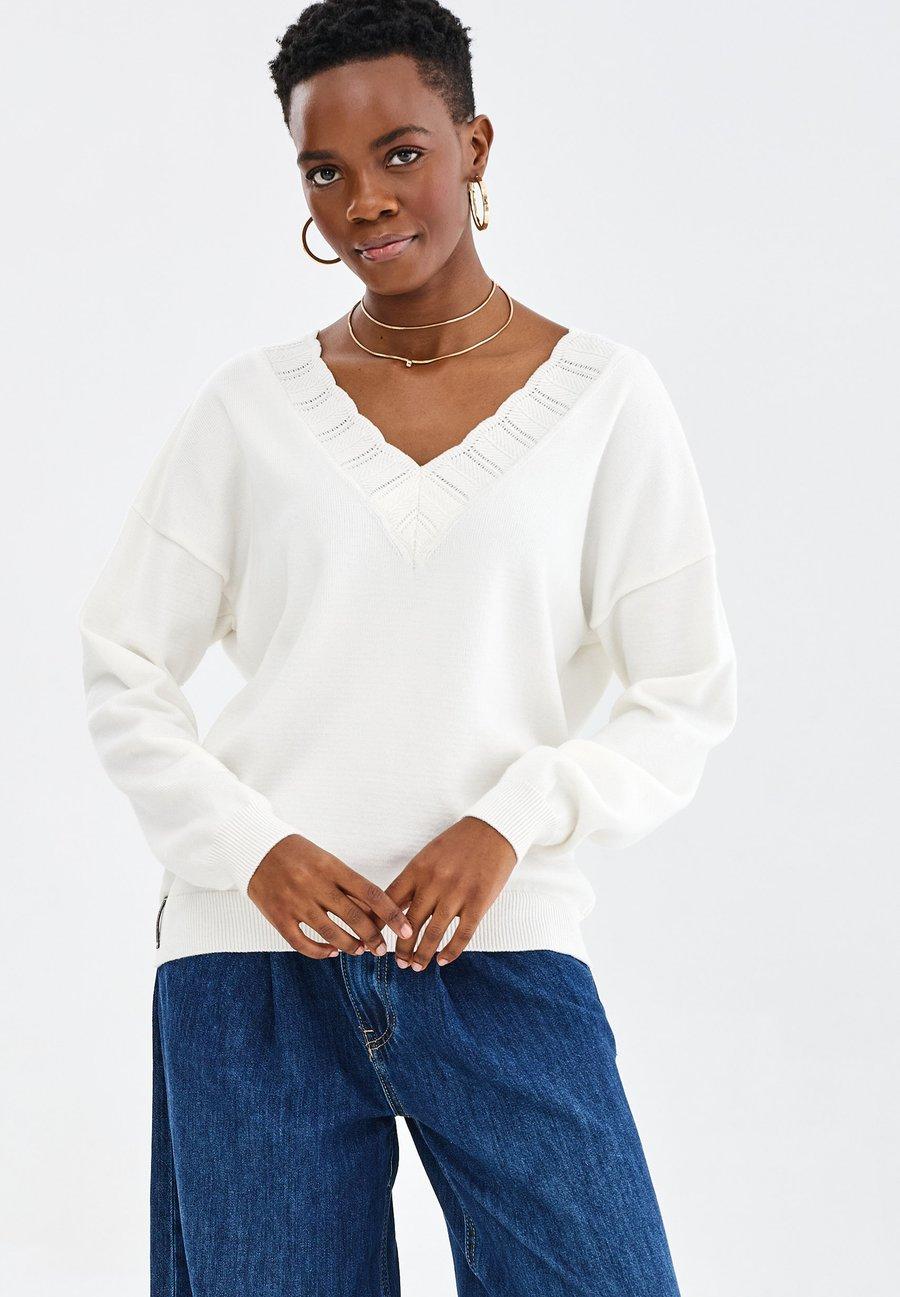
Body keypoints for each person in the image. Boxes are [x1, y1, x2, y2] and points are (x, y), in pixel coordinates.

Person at [77, 2, 738, 1293]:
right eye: (324, 171)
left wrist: (514, 818)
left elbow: (685, 693)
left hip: (502, 957)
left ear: (474, 144)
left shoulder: (605, 402)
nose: (365, 201)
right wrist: (246, 845)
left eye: (400, 153)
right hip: (253, 969)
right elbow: (122, 664)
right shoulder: (249, 412)